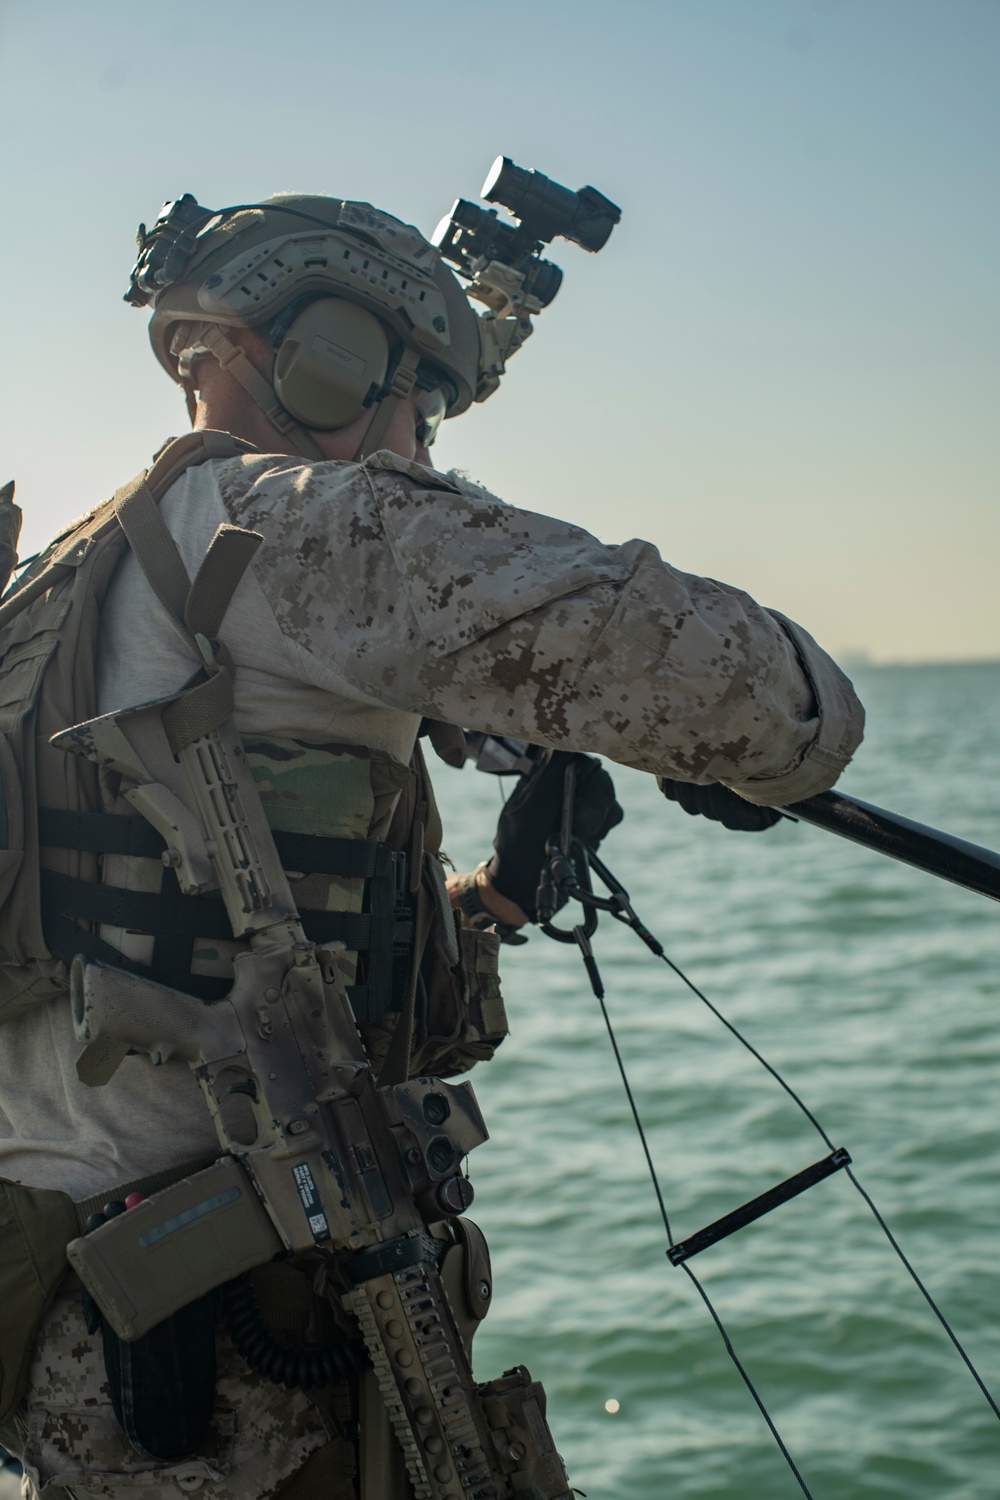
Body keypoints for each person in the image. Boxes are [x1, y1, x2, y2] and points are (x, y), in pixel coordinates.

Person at [0, 188, 863, 1500]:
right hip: (238, 1353)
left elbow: (211, 939)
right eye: (422, 399)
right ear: (330, 352)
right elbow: (759, 696)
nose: (419, 441)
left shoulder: (68, 581)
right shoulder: (297, 525)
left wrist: (502, 898)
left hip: (82, 1334)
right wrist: (765, 749)